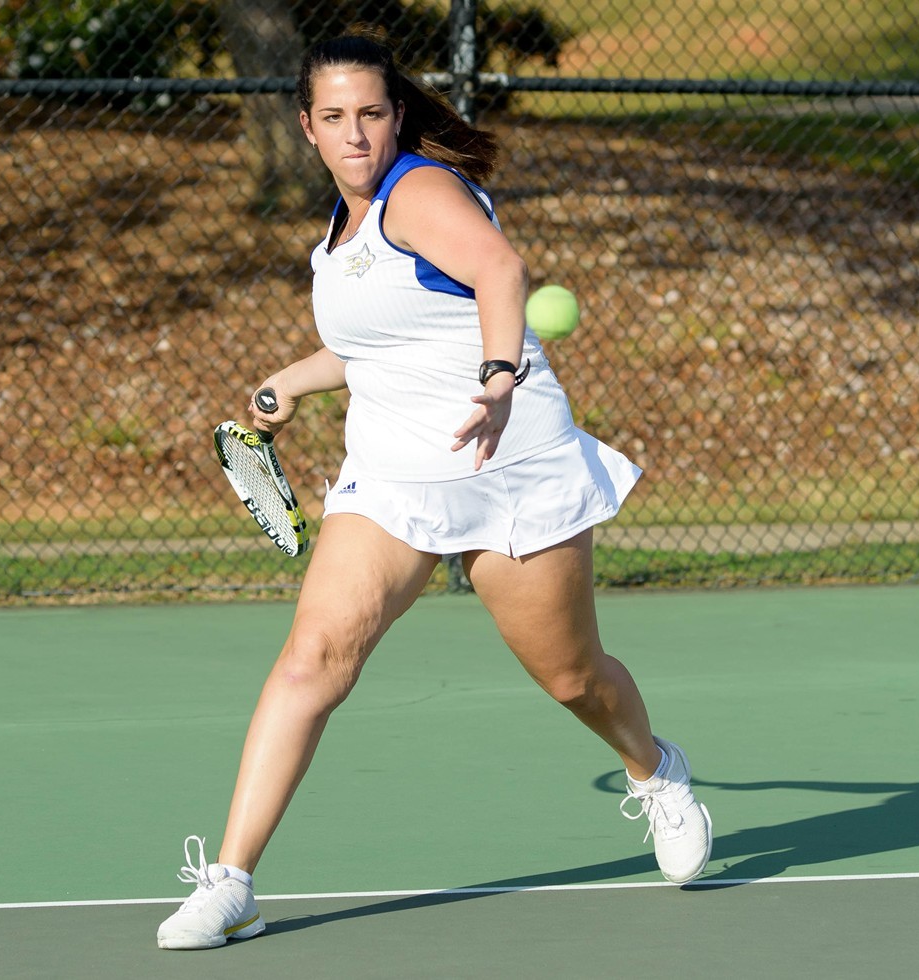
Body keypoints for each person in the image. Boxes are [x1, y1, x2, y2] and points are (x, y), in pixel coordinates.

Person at [155, 31, 711, 951]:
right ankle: (232, 881)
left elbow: (499, 271)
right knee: (310, 661)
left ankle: (655, 772)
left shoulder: (420, 192)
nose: (355, 135)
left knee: (572, 677)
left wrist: (498, 376)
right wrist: (291, 382)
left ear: (397, 115)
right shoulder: (338, 234)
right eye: (334, 117)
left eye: (371, 114)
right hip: (391, 479)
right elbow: (380, 342)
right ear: (306, 127)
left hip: (505, 463)